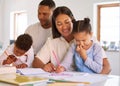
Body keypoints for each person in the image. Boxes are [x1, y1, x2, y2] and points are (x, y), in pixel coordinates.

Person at [32, 6, 111, 74]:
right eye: (59, 24)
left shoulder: (89, 39)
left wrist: (95, 79)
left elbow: (107, 67)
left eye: (67, 22)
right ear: (55, 26)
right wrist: (44, 66)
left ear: (72, 20)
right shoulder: (52, 41)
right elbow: (36, 61)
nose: (64, 27)